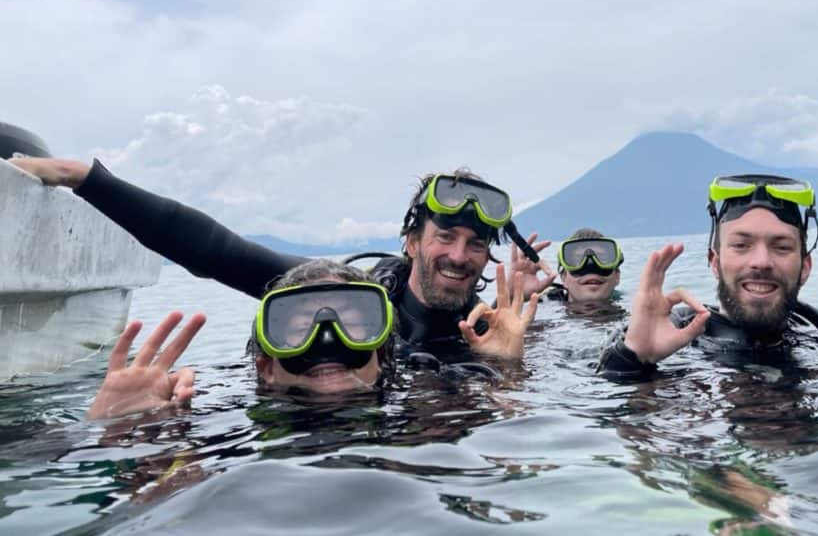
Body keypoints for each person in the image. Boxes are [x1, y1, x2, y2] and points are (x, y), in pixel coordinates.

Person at [9, 157, 546, 365]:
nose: (458, 255)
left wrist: (507, 370)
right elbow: (217, 251)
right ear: (411, 241)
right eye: (445, 236)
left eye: (476, 245)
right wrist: (88, 180)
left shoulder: (493, 331)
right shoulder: (344, 298)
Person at [599, 174, 818, 377]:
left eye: (781, 247)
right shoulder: (675, 336)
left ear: (805, 267)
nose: (761, 262)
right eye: (741, 245)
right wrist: (632, 358)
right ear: (715, 263)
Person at [89, 260, 401, 419]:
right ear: (265, 367)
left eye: (352, 323)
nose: (328, 339)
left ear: (383, 353)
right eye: (300, 327)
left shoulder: (429, 406)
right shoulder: (217, 414)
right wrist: (109, 425)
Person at [544, 228, 624, 304]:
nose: (591, 266)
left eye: (602, 258)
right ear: (564, 278)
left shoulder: (634, 308)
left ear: (617, 276)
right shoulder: (542, 305)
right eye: (578, 259)